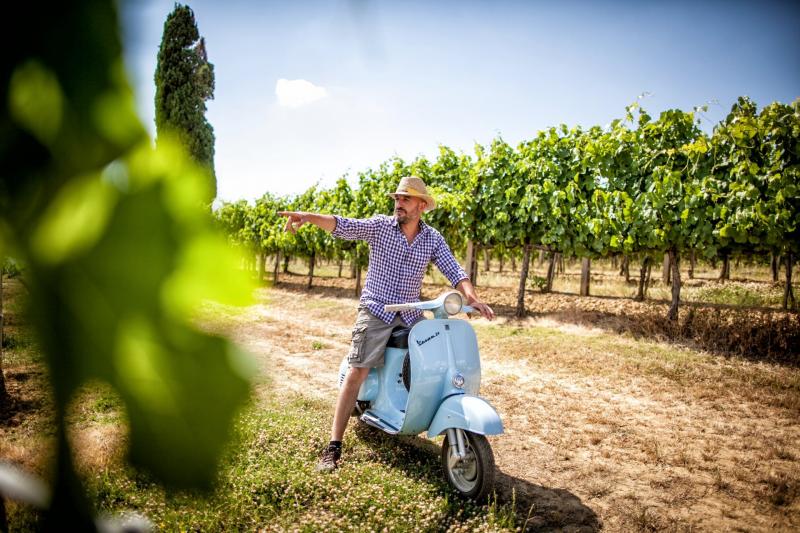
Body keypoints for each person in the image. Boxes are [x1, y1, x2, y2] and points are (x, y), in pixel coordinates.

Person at [278, 176, 494, 472]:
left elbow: (453, 269)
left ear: (421, 205)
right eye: (397, 199)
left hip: (410, 313)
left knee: (432, 361)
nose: (398, 203)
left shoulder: (431, 238)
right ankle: (333, 447)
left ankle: (412, 409)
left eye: (405, 199)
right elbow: (343, 225)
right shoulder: (381, 227)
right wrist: (307, 217)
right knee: (358, 370)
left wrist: (472, 298)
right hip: (377, 310)